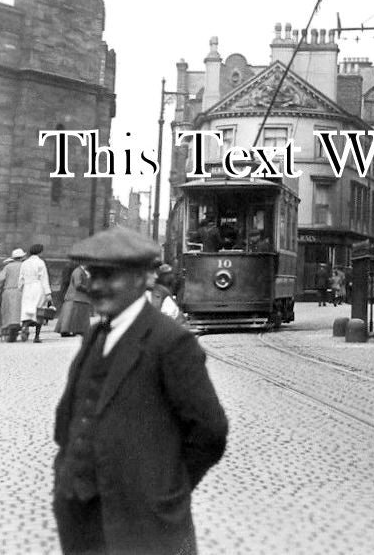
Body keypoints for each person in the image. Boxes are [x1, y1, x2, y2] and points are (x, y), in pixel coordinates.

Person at [53, 226, 228, 555]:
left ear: (142, 279)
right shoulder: (93, 336)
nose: (98, 286)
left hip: (145, 526)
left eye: (110, 276)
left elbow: (210, 432)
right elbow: (69, 416)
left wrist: (165, 489)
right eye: (94, 275)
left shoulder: (170, 341)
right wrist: (66, 477)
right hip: (81, 519)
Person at [18, 243, 52, 343]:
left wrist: (20, 288)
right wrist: (48, 293)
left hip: (27, 288)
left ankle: (25, 326)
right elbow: (44, 278)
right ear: (40, 252)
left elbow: (21, 278)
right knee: (39, 311)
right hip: (38, 287)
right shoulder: (41, 263)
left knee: (27, 310)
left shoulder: (24, 263)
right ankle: (36, 336)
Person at [0, 249, 26, 342]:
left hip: (8, 291)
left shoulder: (8, 267)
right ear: (21, 257)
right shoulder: (24, 266)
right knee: (20, 311)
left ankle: (7, 327)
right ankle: (21, 327)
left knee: (8, 311)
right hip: (21, 291)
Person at [56, 264, 93, 337]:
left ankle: (78, 330)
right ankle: (66, 331)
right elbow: (77, 284)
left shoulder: (84, 272)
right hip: (75, 296)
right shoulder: (78, 271)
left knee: (77, 315)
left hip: (81, 298)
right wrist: (88, 289)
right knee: (70, 316)